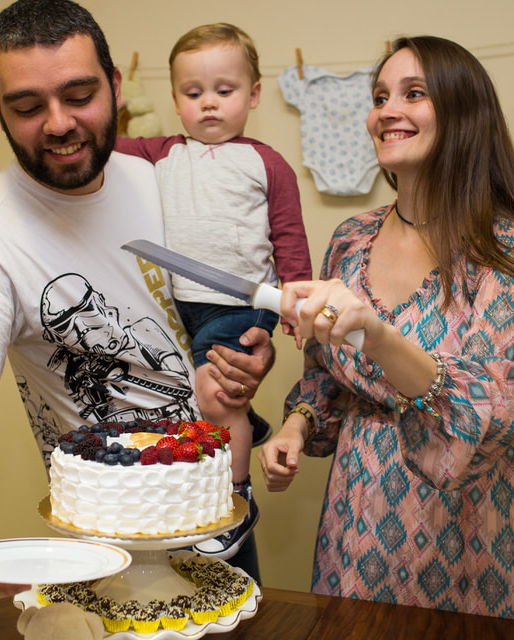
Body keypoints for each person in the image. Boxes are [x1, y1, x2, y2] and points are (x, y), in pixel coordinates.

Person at [0, 0, 273, 601]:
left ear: (114, 85)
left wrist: (248, 349)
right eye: (27, 107)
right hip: (104, 550)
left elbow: (220, 305)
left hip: (215, 513)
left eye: (79, 96)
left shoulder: (163, 178)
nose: (58, 123)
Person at [259, 36, 514, 620]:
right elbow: (327, 373)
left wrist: (378, 335)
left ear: (464, 114)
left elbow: (490, 410)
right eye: (380, 97)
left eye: (413, 94)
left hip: (476, 520)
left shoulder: (507, 252)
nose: (388, 111)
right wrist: (298, 426)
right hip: (360, 510)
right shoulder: (350, 240)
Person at [114, 23, 312, 560]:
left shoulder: (266, 163)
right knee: (206, 401)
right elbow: (103, 144)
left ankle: (234, 501)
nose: (208, 103)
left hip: (241, 305)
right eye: (192, 92)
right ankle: (245, 425)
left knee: (214, 396)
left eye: (224, 90)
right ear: (174, 99)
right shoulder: (161, 153)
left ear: (254, 94)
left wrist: (295, 305)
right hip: (182, 307)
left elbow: (288, 237)